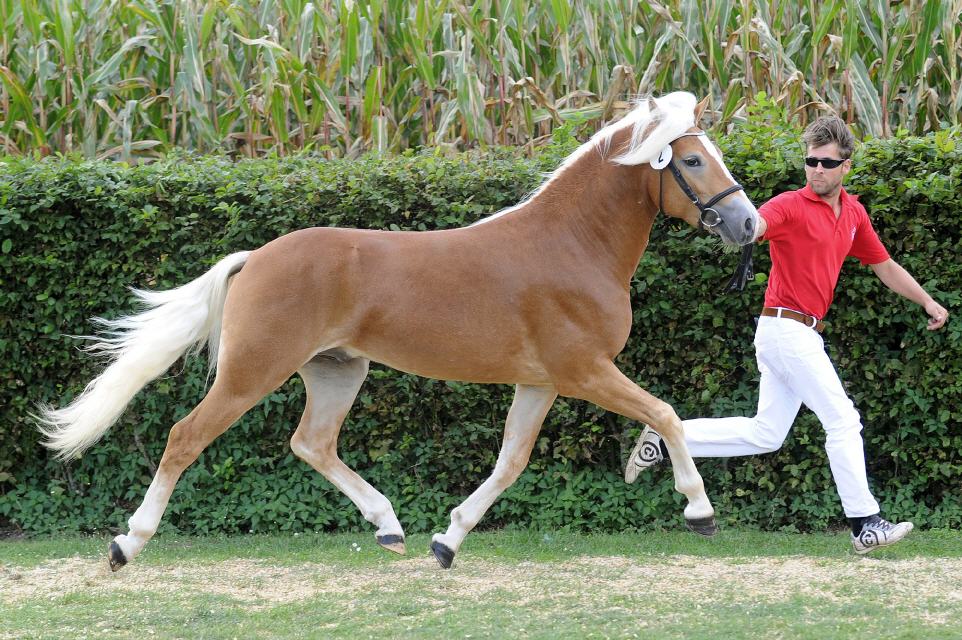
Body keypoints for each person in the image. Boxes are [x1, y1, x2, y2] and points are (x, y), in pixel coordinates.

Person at [625, 115, 949, 554]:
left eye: (827, 163)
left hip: (796, 334)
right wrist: (741, 224)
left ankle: (669, 436)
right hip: (785, 330)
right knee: (843, 420)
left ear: (846, 166)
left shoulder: (853, 213)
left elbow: (884, 265)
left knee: (766, 434)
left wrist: (927, 301)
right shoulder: (790, 205)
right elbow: (756, 225)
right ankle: (866, 524)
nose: (817, 169)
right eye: (811, 161)